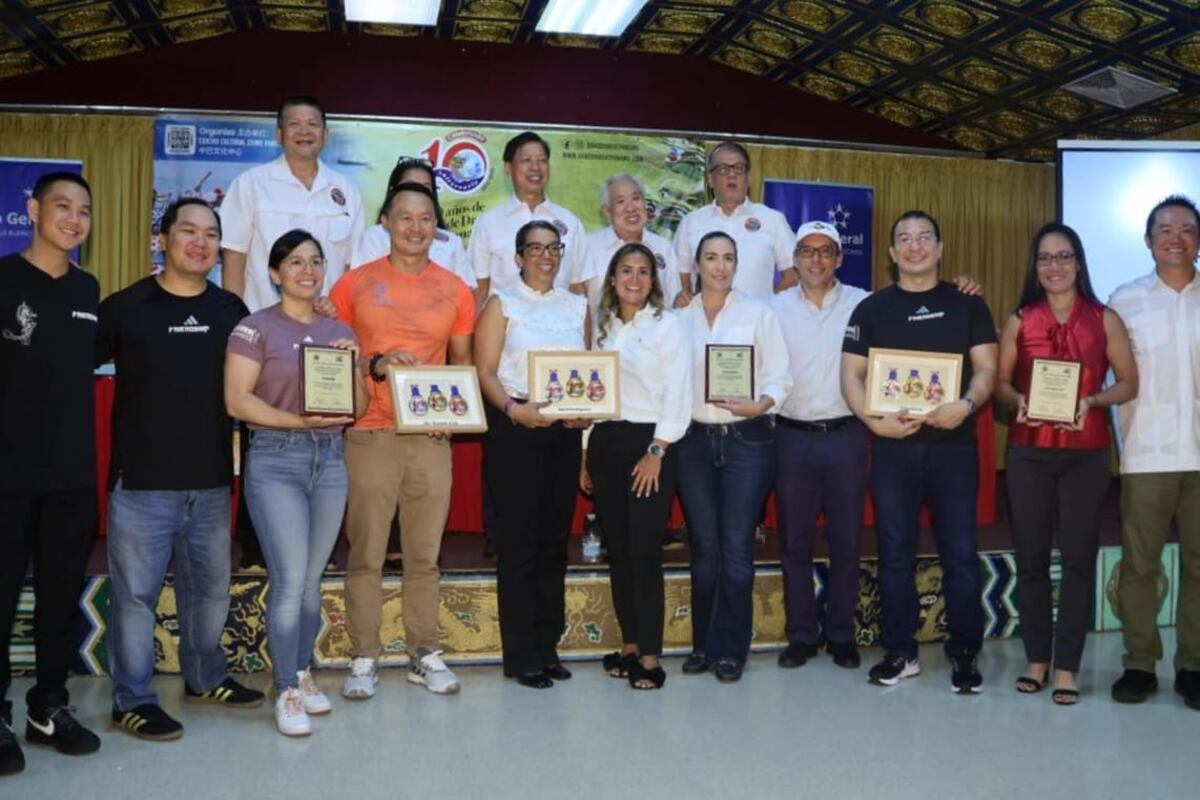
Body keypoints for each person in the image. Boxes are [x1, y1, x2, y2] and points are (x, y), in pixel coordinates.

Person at [97, 197, 263, 743]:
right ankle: (131, 699)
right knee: (135, 598)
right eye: (188, 231)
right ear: (162, 239)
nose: (200, 242)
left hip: (211, 482)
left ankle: (205, 677)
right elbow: (70, 366)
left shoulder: (230, 309)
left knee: (210, 593)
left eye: (211, 234)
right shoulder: (126, 306)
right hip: (142, 484)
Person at [840, 210, 998, 694]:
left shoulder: (967, 303)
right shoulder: (871, 309)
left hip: (953, 449)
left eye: (924, 237)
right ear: (892, 253)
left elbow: (987, 369)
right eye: (904, 239)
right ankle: (900, 652)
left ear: (940, 247)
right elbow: (850, 375)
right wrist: (874, 422)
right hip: (895, 450)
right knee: (894, 553)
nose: (915, 246)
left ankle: (965, 652)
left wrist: (966, 405)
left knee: (960, 553)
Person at [329, 182, 474, 700]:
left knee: (424, 554)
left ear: (436, 227)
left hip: (429, 435)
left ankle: (424, 652)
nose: (416, 227)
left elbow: (461, 364)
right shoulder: (354, 284)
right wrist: (375, 364)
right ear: (386, 223)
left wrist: (450, 416)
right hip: (369, 431)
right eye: (405, 217)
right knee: (366, 552)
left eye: (425, 218)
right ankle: (364, 654)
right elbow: (333, 355)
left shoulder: (456, 290)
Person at [225, 230, 367, 736]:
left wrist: (354, 368)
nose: (307, 271)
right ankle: (285, 686)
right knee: (288, 581)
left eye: (315, 261)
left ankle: (302, 672)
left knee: (310, 581)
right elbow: (237, 400)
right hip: (276, 458)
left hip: (329, 459)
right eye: (295, 262)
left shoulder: (338, 330)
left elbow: (356, 408)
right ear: (275, 272)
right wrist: (295, 422)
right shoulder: (253, 328)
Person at [996, 222, 1137, 705]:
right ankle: (1037, 658)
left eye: (1063, 256)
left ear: (1078, 263)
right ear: (1035, 268)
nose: (1053, 266)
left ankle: (1068, 666)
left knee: (1078, 559)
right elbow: (1001, 384)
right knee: (1031, 558)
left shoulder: (1105, 319)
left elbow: (1129, 383)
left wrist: (1093, 400)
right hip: (1028, 452)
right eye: (1044, 258)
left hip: (1086, 454)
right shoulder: (1020, 319)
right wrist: (1016, 400)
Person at [0, 171, 100, 773]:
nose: (73, 218)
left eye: (84, 210)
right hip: (7, 473)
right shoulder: (3, 278)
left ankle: (48, 707)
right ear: (33, 210)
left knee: (60, 599)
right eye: (62, 206)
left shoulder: (88, 289)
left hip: (70, 475)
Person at [475, 220, 590, 688]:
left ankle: (547, 647)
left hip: (563, 434)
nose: (546, 256)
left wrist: (584, 415)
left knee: (553, 544)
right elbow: (484, 371)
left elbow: (588, 372)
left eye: (553, 247)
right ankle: (522, 655)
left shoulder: (577, 305)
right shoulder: (501, 303)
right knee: (519, 544)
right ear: (519, 256)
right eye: (535, 248)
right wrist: (513, 409)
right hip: (515, 429)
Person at [676, 232, 792, 683]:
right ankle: (702, 645)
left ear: (737, 265)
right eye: (711, 258)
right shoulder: (677, 317)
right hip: (692, 444)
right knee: (704, 548)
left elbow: (780, 377)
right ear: (697, 264)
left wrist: (760, 404)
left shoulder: (759, 313)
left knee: (737, 548)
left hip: (748, 441)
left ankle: (731, 648)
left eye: (728, 258)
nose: (720, 267)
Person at [579, 243, 691, 690]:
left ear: (653, 281)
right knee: (620, 551)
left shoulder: (669, 326)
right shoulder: (602, 326)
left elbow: (679, 393)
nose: (634, 279)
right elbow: (592, 391)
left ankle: (650, 656)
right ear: (612, 277)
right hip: (606, 441)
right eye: (626, 270)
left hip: (652, 443)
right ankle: (629, 645)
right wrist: (585, 453)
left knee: (644, 552)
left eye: (644, 272)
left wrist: (657, 450)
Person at [1108, 195, 1200, 710]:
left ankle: (1194, 665)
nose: (1175, 238)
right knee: (1140, 566)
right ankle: (1140, 664)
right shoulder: (1124, 300)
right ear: (1148, 240)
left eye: (1187, 229)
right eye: (1165, 229)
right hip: (1147, 453)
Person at [772, 221, 871, 671]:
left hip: (847, 435)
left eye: (825, 250)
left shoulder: (864, 304)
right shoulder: (771, 309)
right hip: (792, 438)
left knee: (845, 539)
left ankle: (841, 633)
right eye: (807, 251)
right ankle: (801, 635)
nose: (816, 259)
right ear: (794, 260)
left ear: (839, 258)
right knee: (795, 542)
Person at [219, 95, 365, 312]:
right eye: (294, 124)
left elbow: (352, 267)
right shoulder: (251, 184)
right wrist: (236, 320)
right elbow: (234, 257)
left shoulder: (347, 191)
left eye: (312, 124)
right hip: (262, 321)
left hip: (326, 323)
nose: (304, 132)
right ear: (279, 135)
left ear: (325, 135)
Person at [466, 131, 591, 302]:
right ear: (508, 168)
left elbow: (577, 287)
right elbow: (479, 289)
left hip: (558, 317)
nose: (535, 167)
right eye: (526, 160)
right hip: (504, 318)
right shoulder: (488, 223)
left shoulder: (570, 222)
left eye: (542, 160)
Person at [674, 142, 796, 302]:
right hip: (704, 317)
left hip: (756, 317)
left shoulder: (772, 219)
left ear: (749, 178)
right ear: (710, 180)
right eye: (723, 169)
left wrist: (768, 306)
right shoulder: (691, 222)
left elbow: (794, 275)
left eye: (739, 168)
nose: (732, 175)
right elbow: (678, 277)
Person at [351, 156, 477, 290]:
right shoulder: (373, 237)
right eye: (409, 186)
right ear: (393, 190)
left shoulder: (452, 242)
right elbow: (362, 287)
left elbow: (466, 291)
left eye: (425, 187)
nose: (417, 193)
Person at [584, 174, 683, 317]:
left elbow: (674, 304)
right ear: (607, 211)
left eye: (636, 198)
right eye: (621, 201)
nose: (630, 208)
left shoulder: (664, 248)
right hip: (603, 331)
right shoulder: (588, 247)